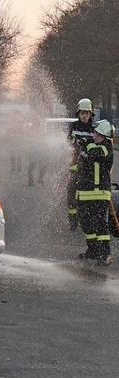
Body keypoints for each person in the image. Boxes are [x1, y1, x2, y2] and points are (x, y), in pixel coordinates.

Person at [77, 119, 115, 266]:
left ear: (105, 137)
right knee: (86, 224)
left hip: (99, 193)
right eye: (94, 133)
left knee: (100, 225)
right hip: (86, 192)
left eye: (98, 135)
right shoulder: (91, 146)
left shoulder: (106, 148)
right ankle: (92, 250)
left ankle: (105, 254)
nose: (94, 136)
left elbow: (94, 152)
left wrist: (86, 144)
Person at [67, 98, 94, 229]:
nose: (84, 115)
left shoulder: (93, 129)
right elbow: (68, 142)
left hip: (88, 168)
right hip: (74, 166)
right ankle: (72, 221)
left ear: (90, 114)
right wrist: (74, 143)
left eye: (87, 113)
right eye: (82, 113)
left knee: (85, 194)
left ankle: (85, 217)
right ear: (78, 113)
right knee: (71, 192)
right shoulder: (73, 126)